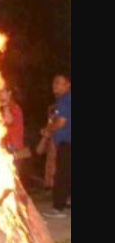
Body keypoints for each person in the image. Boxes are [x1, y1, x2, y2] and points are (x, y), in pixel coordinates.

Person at [43, 74, 72, 219]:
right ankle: (65, 201)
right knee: (67, 173)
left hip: (68, 143)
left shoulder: (66, 99)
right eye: (54, 82)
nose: (55, 85)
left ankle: (58, 207)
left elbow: (61, 122)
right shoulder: (62, 100)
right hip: (66, 142)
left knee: (62, 174)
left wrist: (48, 129)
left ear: (68, 85)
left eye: (59, 82)